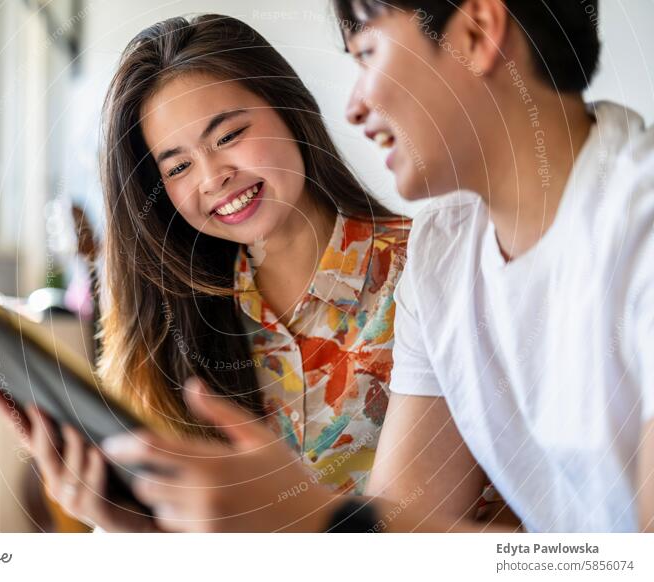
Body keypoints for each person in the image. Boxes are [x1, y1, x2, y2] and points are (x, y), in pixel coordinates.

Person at [98, 0, 654, 533]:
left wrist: (305, 522)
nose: (354, 105)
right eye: (176, 167)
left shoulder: (422, 257)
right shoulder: (446, 250)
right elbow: (394, 538)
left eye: (366, 53)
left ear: (478, 32)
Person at [0, 13, 460, 532]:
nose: (213, 178)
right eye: (178, 167)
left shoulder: (427, 267)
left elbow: (411, 538)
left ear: (289, 108)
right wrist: (118, 523)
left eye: (229, 135)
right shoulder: (176, 323)